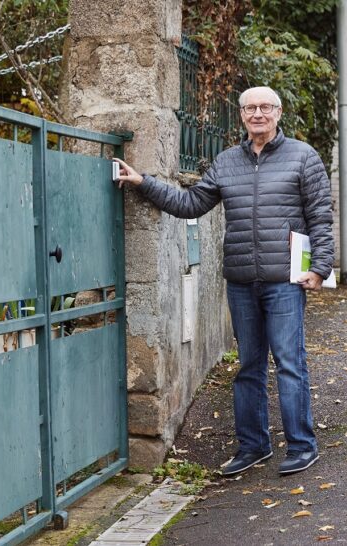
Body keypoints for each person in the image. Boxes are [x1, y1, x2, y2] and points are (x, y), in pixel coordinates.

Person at [113, 86, 333, 476]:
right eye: (250, 108)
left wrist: (320, 267)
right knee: (248, 366)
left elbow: (320, 217)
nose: (258, 114)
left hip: (285, 280)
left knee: (289, 364)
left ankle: (301, 445)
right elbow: (191, 203)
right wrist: (144, 182)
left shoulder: (303, 157)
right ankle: (253, 445)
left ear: (279, 112)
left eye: (265, 107)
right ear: (242, 115)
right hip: (242, 281)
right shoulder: (228, 160)